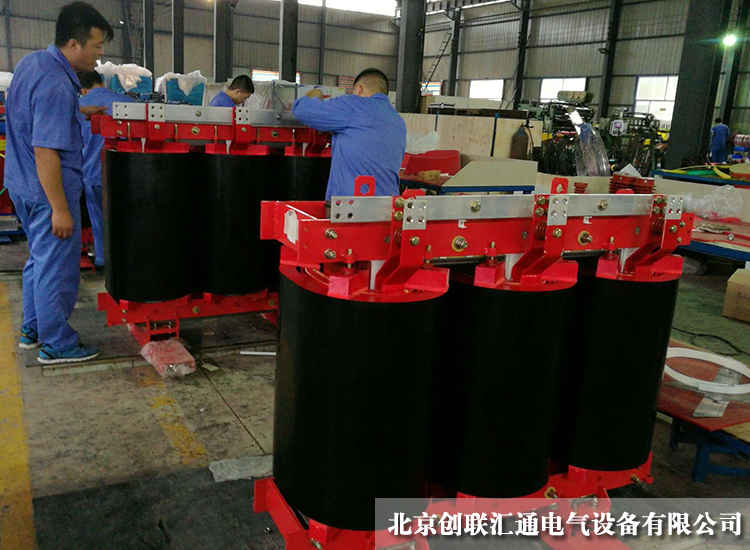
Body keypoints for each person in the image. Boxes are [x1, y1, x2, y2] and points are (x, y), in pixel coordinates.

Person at [4, 2, 113, 364]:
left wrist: (80, 110)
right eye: (96, 46)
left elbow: (34, 112)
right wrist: (60, 209)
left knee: (40, 259)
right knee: (57, 267)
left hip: (21, 184)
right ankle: (57, 344)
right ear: (73, 44)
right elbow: (46, 151)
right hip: (47, 190)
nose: (99, 55)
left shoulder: (33, 64)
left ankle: (33, 328)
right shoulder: (57, 84)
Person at [292, 68, 406, 200]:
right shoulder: (398, 121)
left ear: (359, 89)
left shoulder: (354, 104)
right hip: (389, 204)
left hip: (352, 206)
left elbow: (302, 110)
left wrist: (314, 95)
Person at [78, 70, 134, 269]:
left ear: (82, 89)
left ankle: (104, 259)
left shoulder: (79, 106)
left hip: (92, 174)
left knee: (99, 219)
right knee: (128, 219)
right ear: (102, 81)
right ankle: (129, 261)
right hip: (125, 174)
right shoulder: (128, 102)